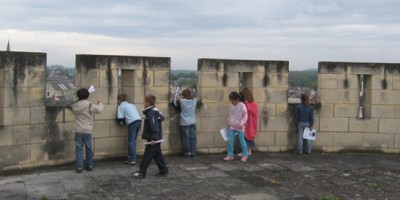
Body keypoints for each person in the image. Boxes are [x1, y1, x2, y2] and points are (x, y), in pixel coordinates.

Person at [133, 94, 168, 179]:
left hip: (153, 138)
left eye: (144, 101)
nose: (143, 103)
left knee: (148, 154)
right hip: (155, 137)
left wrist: (154, 138)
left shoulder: (151, 113)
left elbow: (154, 126)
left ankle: (142, 172)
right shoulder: (154, 111)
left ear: (148, 103)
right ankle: (163, 169)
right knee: (157, 154)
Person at [71, 88, 104, 173]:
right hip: (87, 129)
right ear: (87, 96)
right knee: (88, 148)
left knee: (79, 148)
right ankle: (89, 165)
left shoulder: (74, 105)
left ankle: (79, 167)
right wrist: (100, 103)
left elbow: (75, 102)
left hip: (78, 129)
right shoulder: (89, 104)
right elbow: (99, 110)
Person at [116, 93, 142, 165]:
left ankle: (132, 159)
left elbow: (120, 118)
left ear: (119, 100)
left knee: (131, 142)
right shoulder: (131, 105)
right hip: (139, 121)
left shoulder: (121, 106)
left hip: (132, 123)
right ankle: (131, 157)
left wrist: (121, 123)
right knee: (133, 141)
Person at [224, 91, 248, 162]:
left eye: (232, 100)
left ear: (237, 99)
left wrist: (242, 123)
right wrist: (229, 121)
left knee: (242, 141)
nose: (231, 102)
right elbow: (231, 114)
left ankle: (245, 155)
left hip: (240, 127)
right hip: (232, 126)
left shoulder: (242, 105)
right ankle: (230, 155)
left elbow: (245, 116)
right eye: (230, 100)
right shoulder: (231, 104)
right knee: (230, 140)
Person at [174, 89, 197, 158]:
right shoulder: (194, 101)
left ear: (183, 95)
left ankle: (188, 153)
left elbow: (174, 103)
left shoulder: (181, 101)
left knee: (186, 138)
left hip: (184, 123)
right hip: (193, 122)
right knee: (193, 138)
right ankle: (193, 153)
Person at [240, 88, 258, 157]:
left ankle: (245, 151)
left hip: (247, 123)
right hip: (252, 123)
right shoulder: (254, 103)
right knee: (249, 137)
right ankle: (249, 151)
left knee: (244, 137)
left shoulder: (246, 104)